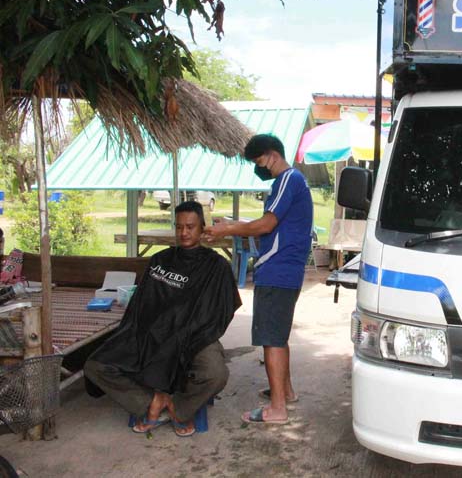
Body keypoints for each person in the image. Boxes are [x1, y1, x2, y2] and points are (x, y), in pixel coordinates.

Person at [84, 201, 241, 436]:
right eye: (179, 227)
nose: (184, 233)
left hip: (195, 337)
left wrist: (184, 333)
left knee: (216, 374)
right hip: (152, 334)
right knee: (94, 366)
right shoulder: (159, 261)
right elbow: (141, 305)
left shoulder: (217, 266)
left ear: (202, 228)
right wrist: (152, 330)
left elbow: (220, 312)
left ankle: (179, 409)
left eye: (190, 227)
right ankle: (152, 402)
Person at [204, 134, 312, 425]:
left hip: (277, 271)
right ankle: (285, 392)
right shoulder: (293, 182)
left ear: (273, 155)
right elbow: (274, 224)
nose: (258, 168)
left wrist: (228, 229)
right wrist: (233, 225)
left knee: (271, 339)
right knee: (278, 334)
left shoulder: (287, 179)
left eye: (259, 161)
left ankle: (277, 409)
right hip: (285, 271)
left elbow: (266, 225)